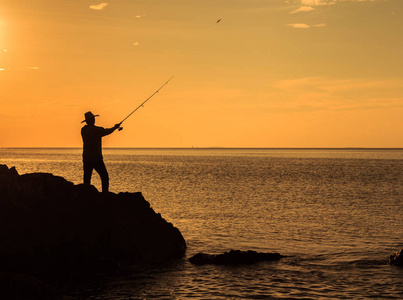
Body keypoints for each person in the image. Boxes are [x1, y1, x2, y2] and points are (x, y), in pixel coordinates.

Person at [81, 111, 121, 193]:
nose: (94, 120)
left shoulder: (83, 130)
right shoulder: (97, 130)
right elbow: (107, 131)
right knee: (104, 176)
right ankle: (105, 194)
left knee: (87, 178)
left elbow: (103, 131)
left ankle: (85, 196)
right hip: (96, 158)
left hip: (86, 157)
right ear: (92, 120)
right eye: (93, 119)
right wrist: (115, 127)